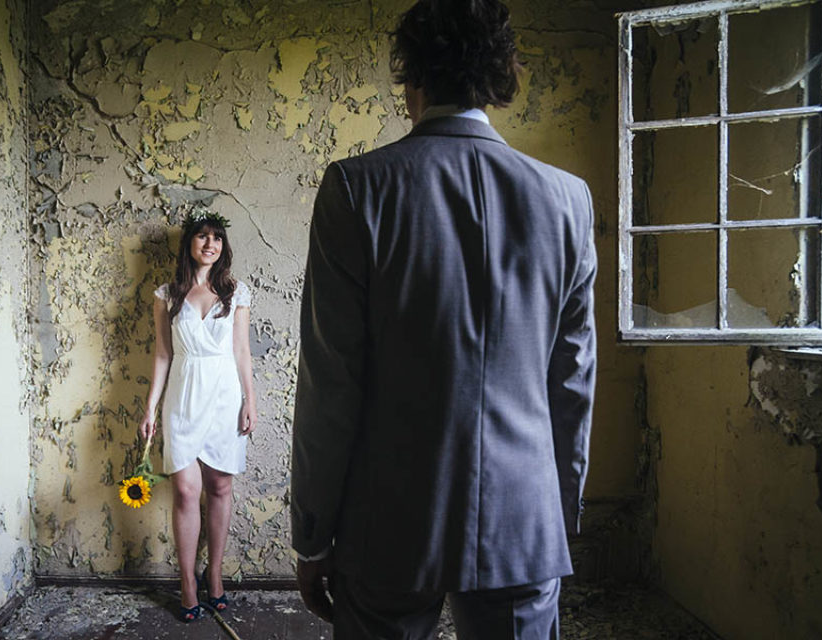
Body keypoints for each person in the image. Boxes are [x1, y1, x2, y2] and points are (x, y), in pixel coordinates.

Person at [290, 0, 597, 637]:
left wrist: (314, 534)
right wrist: (557, 517)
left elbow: (331, 385)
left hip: (391, 521)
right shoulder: (568, 200)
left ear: (413, 78)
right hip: (523, 517)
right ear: (498, 78)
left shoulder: (355, 188)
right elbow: (573, 383)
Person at [139, 210, 257, 623]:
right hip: (183, 397)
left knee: (220, 486)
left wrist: (250, 400)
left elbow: (242, 351)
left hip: (225, 396)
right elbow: (162, 354)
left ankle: (215, 574)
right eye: (203, 237)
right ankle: (187, 582)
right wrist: (150, 407)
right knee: (187, 491)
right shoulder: (167, 295)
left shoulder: (235, 292)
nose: (210, 244)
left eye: (217, 238)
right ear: (189, 244)